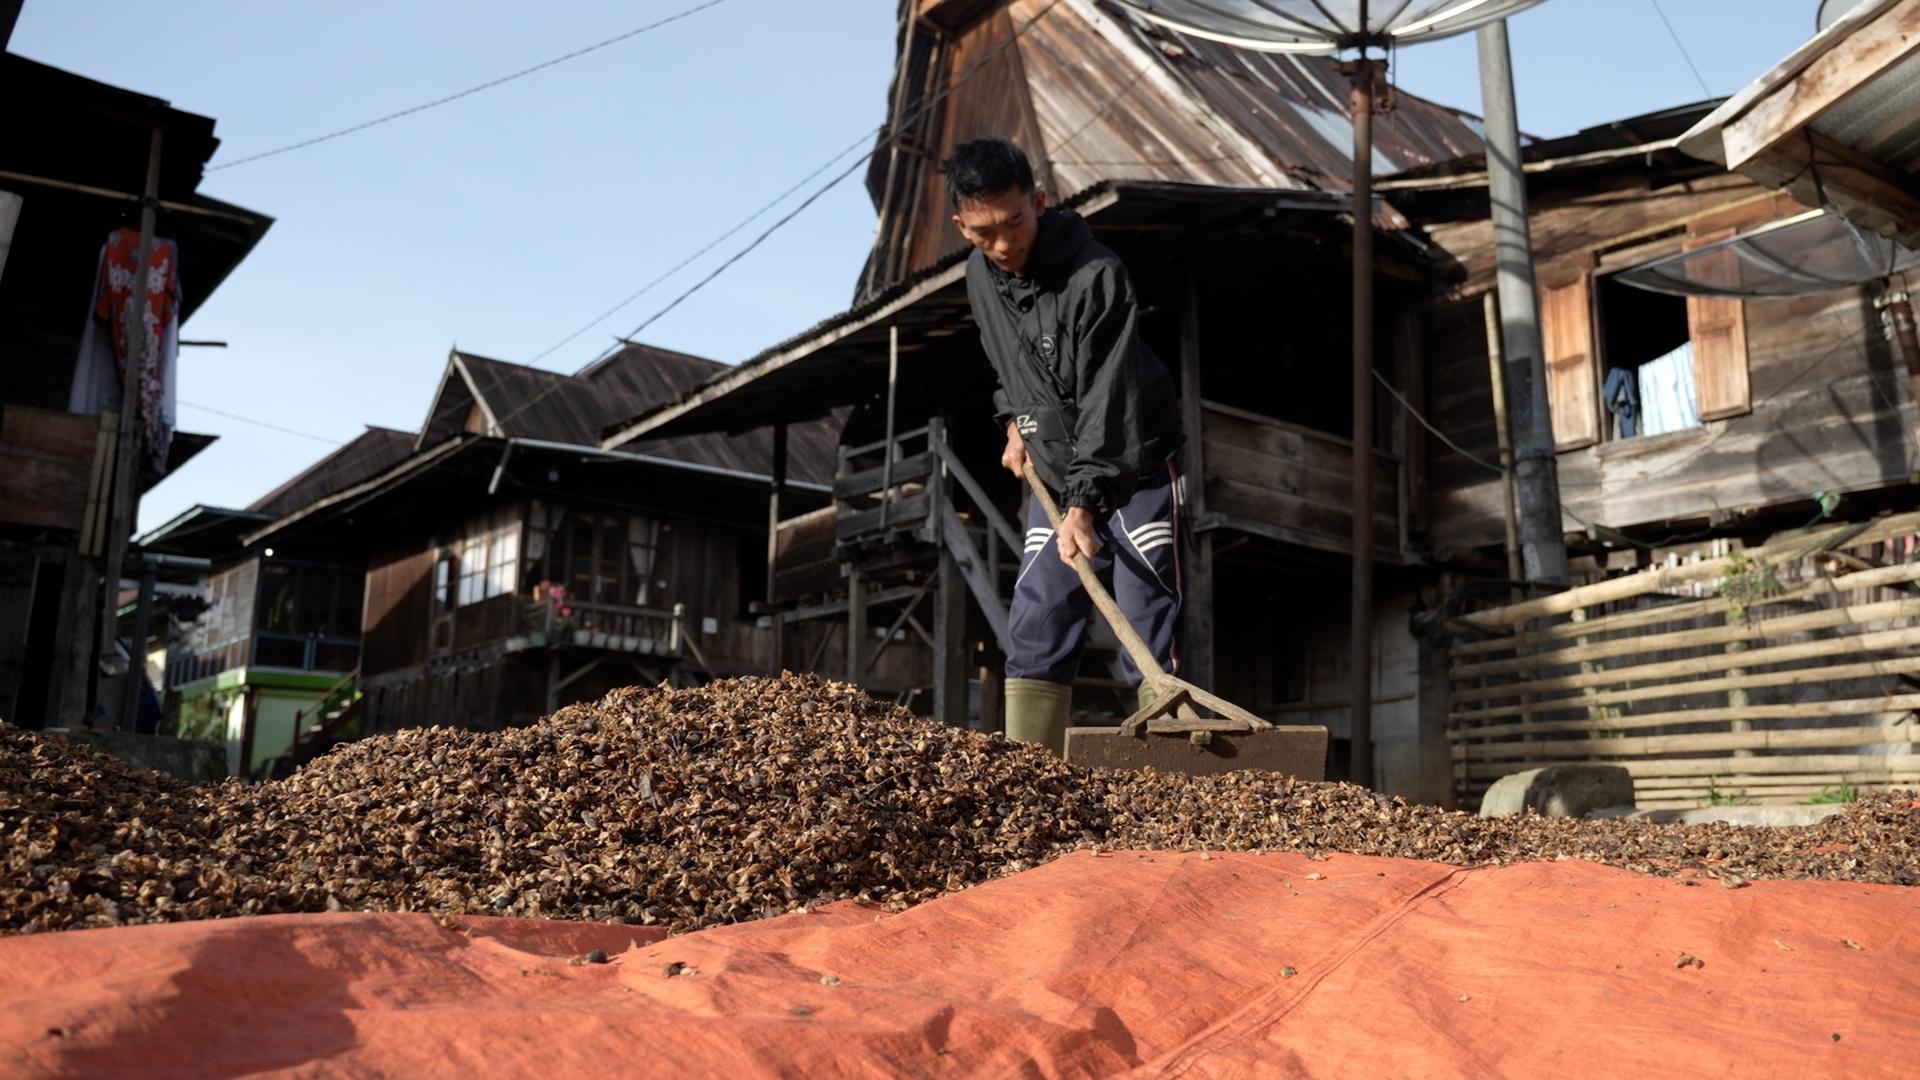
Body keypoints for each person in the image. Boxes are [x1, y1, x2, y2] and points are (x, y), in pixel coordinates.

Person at [945, 137, 1185, 755]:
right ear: (961, 225)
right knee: (1039, 615)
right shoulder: (979, 276)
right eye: (983, 232)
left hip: (1133, 470)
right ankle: (1031, 778)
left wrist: (1085, 504)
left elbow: (1111, 400)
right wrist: (1011, 423)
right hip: (1054, 473)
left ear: (1040, 202)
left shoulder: (1095, 276)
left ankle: (1169, 782)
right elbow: (1007, 368)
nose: (1002, 244)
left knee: (1142, 612)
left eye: (1014, 223)